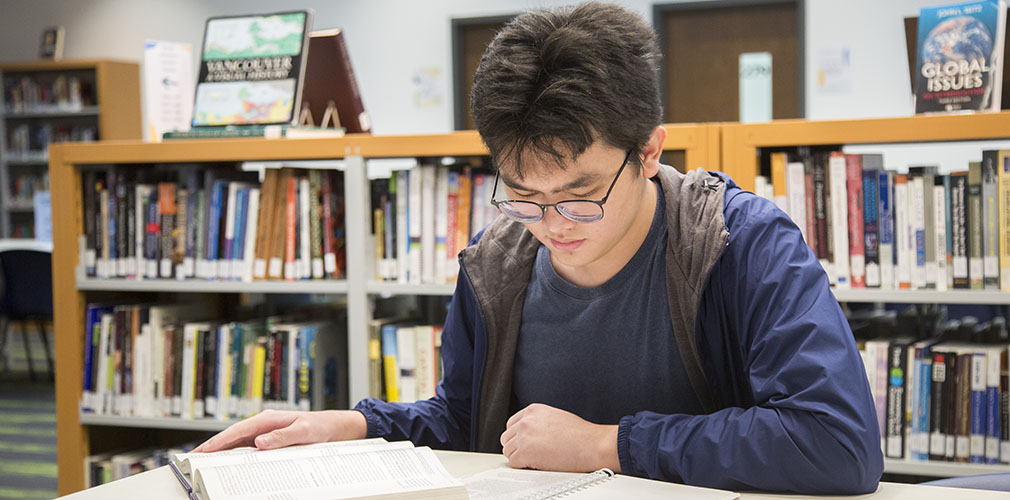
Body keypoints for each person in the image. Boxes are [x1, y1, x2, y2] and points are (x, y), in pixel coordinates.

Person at [194, 2, 884, 494]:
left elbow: (836, 443)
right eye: (523, 195)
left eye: (581, 194)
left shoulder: (742, 245)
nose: (553, 224)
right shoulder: (497, 267)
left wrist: (604, 444)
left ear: (648, 152)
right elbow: (469, 420)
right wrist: (353, 425)